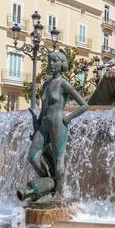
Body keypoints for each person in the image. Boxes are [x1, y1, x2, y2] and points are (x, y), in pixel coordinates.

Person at [28, 50, 88, 201]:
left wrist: (68, 119)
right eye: (50, 61)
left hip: (58, 123)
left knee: (58, 160)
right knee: (33, 158)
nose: (51, 64)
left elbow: (84, 105)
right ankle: (47, 183)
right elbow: (43, 108)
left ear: (62, 64)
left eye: (55, 61)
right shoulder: (46, 84)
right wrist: (37, 124)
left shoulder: (63, 84)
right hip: (44, 123)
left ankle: (58, 193)